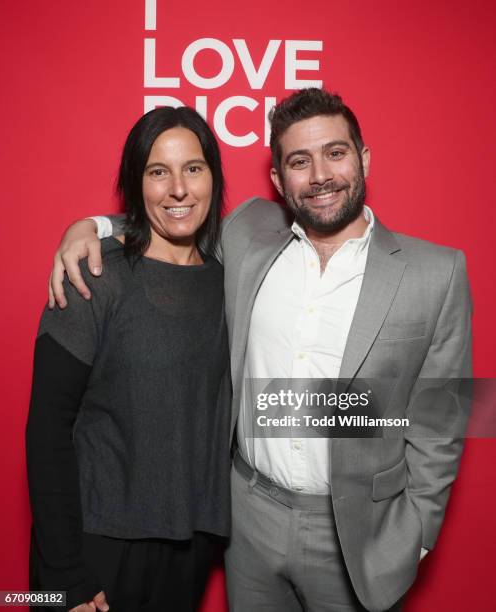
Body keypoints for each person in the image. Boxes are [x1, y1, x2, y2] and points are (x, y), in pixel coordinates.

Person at [48, 89, 472, 612]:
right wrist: (90, 227)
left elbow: (443, 418)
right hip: (247, 518)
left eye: (335, 153)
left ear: (363, 159)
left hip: (358, 532)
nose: (319, 175)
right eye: (299, 161)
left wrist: (420, 532)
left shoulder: (437, 272)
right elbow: (172, 220)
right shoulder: (249, 233)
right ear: (278, 179)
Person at [27, 106, 231, 612]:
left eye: (193, 168)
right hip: (92, 547)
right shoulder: (94, 275)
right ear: (136, 182)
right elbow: (48, 430)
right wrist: (63, 574)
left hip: (189, 546)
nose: (178, 189)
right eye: (158, 171)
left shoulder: (231, 282)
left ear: (213, 176)